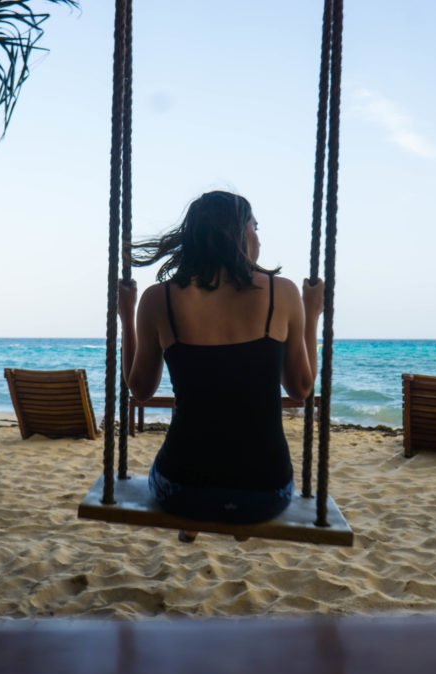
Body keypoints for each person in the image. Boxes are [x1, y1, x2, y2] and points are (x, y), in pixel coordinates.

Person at [118, 190, 324, 541]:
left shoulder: (158, 298)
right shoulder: (283, 293)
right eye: (254, 226)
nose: (258, 237)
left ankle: (194, 520)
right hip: (266, 493)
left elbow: (140, 390)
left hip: (179, 489)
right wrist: (312, 313)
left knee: (192, 485)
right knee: (240, 494)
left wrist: (126, 316)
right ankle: (237, 523)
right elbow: (301, 390)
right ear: (239, 234)